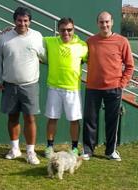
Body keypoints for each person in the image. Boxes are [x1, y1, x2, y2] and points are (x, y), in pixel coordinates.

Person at [0, 7, 44, 165]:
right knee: (12, 117)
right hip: (9, 85)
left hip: (30, 85)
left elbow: (44, 55)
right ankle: (14, 149)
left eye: (25, 20)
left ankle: (30, 152)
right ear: (14, 21)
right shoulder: (4, 37)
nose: (22, 23)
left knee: (30, 118)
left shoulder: (37, 36)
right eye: (19, 20)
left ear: (30, 21)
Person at [82, 11, 134, 161]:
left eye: (107, 22)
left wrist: (122, 84)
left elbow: (130, 66)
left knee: (112, 121)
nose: (104, 25)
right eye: (101, 22)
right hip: (92, 87)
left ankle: (110, 150)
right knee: (90, 120)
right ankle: (87, 150)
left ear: (112, 22)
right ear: (97, 23)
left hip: (114, 88)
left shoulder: (122, 41)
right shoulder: (90, 41)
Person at [43, 18, 88, 158]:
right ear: (58, 30)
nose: (66, 33)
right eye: (63, 30)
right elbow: (30, 37)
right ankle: (50, 147)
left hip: (73, 89)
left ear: (73, 30)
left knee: (74, 120)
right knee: (52, 118)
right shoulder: (49, 41)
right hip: (54, 88)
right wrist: (10, 29)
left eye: (69, 29)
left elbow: (90, 60)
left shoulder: (82, 46)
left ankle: (74, 148)